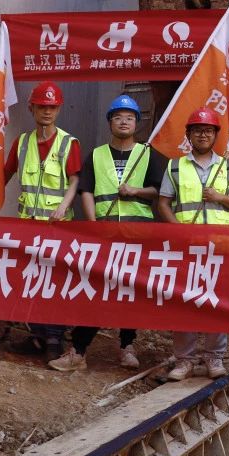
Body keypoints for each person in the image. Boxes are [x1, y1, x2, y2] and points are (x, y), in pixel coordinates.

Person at [51, 95, 163, 373]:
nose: (123, 122)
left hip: (138, 232)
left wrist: (136, 191)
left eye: (129, 117)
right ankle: (78, 351)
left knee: (131, 290)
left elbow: (160, 191)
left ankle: (128, 345)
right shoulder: (97, 155)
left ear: (137, 123)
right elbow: (86, 190)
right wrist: (93, 224)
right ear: (110, 122)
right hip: (105, 232)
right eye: (118, 117)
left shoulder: (148, 154)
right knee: (97, 289)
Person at [156, 108, 229, 382]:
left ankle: (214, 357)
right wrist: (178, 230)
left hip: (220, 247)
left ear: (215, 135)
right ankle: (184, 359)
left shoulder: (227, 167)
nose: (203, 135)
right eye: (197, 130)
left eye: (208, 130)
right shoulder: (175, 166)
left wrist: (219, 197)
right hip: (187, 247)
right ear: (188, 135)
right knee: (184, 300)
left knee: (216, 300)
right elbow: (163, 203)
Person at [0, 81, 81, 361]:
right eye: (42, 106)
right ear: (31, 108)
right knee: (31, 280)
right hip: (28, 226)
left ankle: (54, 339)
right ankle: (36, 337)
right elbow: (5, 174)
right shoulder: (22, 143)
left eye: (52, 107)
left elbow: (75, 180)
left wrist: (63, 206)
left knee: (54, 282)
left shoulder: (69, 143)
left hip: (58, 228)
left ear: (58, 109)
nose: (47, 111)